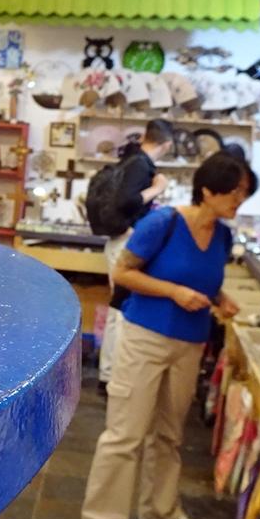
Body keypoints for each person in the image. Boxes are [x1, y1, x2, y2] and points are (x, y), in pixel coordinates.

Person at [80, 152, 258, 519]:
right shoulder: (165, 222)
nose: (239, 200)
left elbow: (203, 282)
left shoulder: (223, 236)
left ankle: (160, 510)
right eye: (233, 191)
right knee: (126, 433)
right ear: (208, 189)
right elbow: (124, 274)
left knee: (169, 433)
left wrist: (219, 298)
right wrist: (174, 292)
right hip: (146, 337)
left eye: (245, 193)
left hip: (190, 344)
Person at [97, 119, 175, 387]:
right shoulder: (140, 165)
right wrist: (158, 188)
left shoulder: (132, 159)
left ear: (145, 136)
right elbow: (126, 201)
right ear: (167, 145)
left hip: (118, 241)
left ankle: (109, 373)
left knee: (116, 310)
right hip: (124, 243)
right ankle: (115, 376)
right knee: (122, 310)